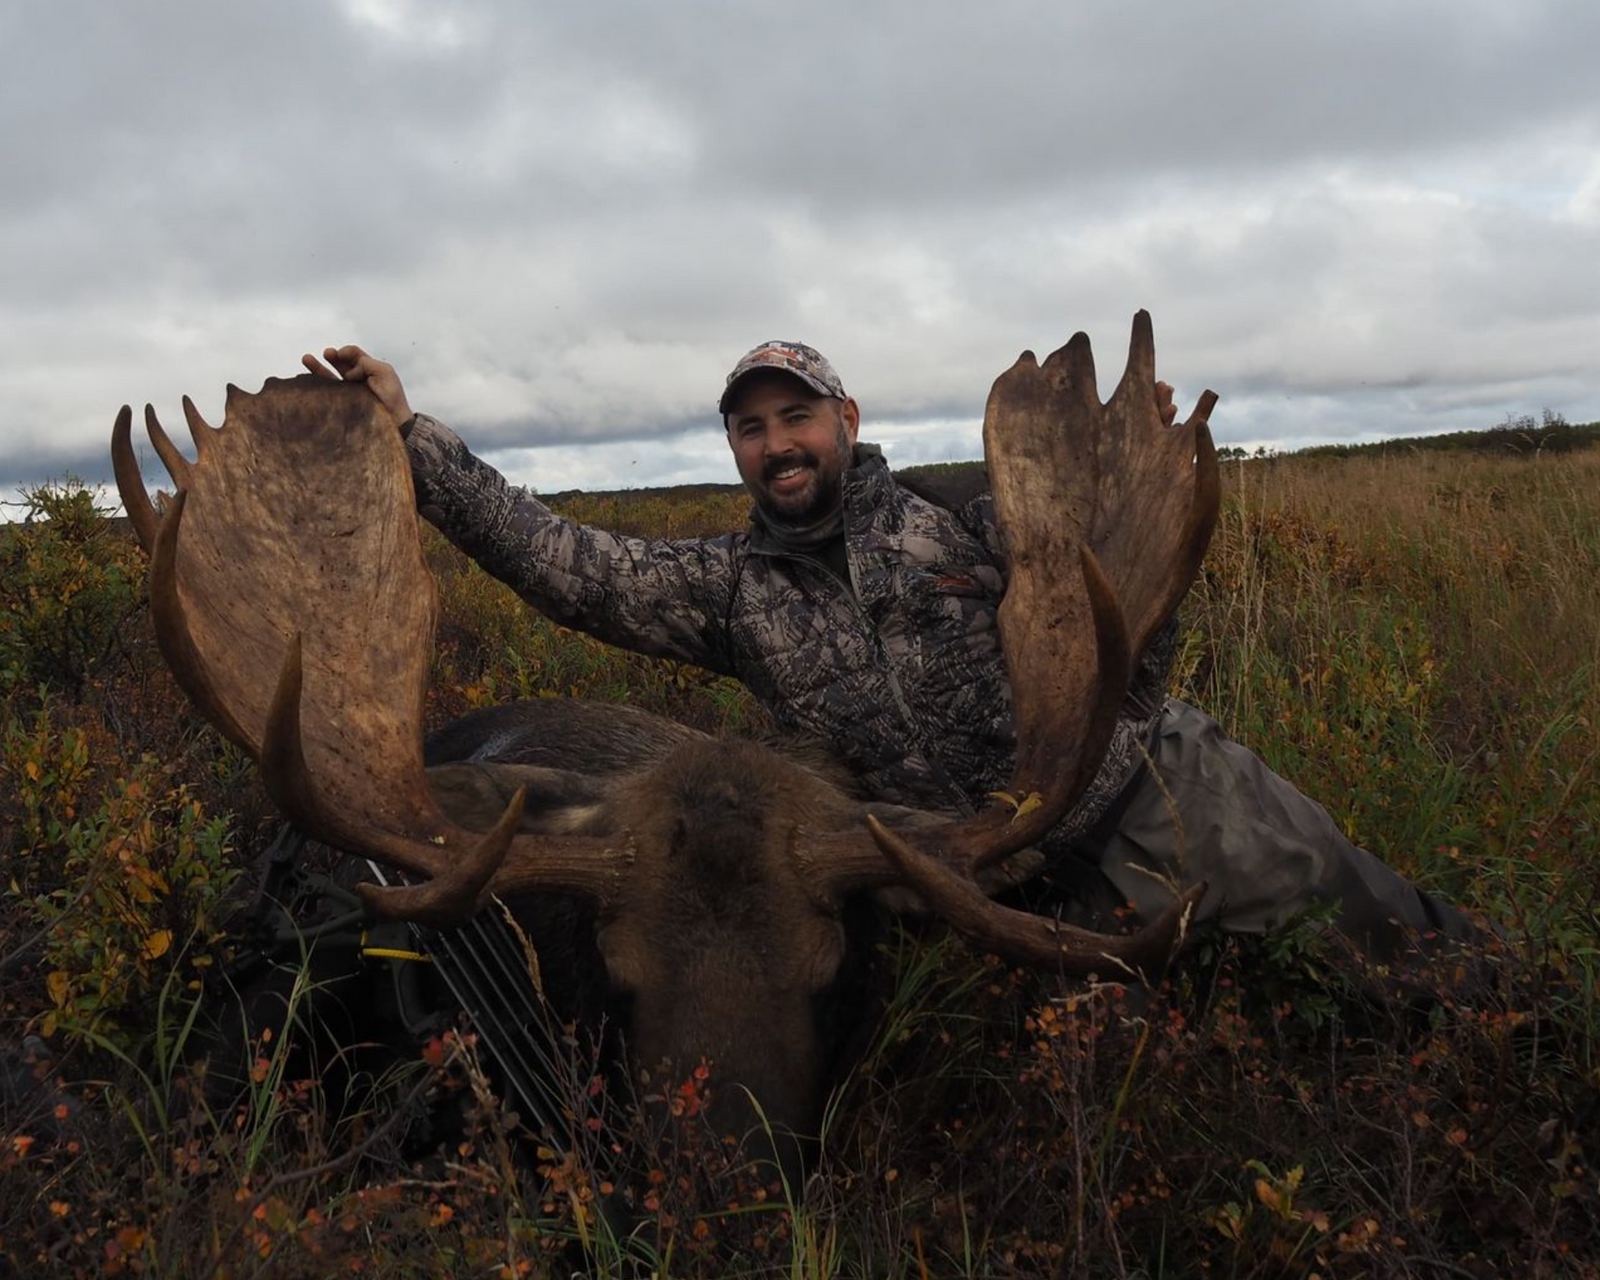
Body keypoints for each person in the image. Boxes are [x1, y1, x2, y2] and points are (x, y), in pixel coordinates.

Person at [302, 338, 1487, 980]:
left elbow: (1135, 632)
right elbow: (563, 560)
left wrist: (1138, 513)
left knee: (1409, 959)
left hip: (1156, 801)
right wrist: (413, 438)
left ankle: (1536, 1032)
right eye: (752, 428)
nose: (778, 445)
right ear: (734, 446)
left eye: (796, 417)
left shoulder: (964, 514)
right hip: (968, 886)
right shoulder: (727, 591)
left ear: (847, 418)